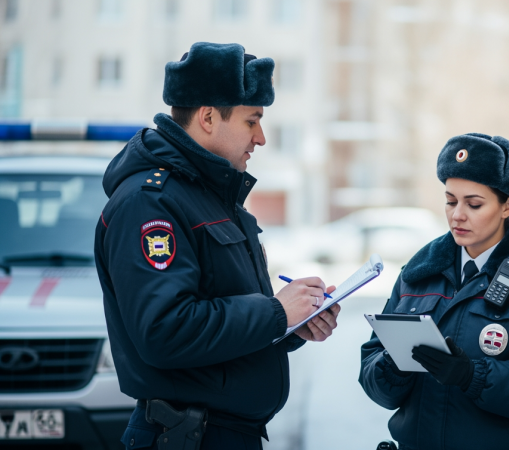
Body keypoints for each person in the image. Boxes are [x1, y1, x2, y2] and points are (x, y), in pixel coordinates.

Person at [94, 42, 340, 450]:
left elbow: (223, 323)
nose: (261, 138)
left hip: (220, 435)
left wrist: (292, 324)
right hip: (185, 436)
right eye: (251, 121)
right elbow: (165, 330)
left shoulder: (211, 197)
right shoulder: (150, 202)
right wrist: (276, 312)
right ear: (208, 117)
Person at [359, 133, 509, 450]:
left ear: (507, 206)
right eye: (451, 201)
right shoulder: (417, 275)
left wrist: (472, 375)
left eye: (474, 204)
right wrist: (392, 366)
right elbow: (373, 376)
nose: (457, 215)